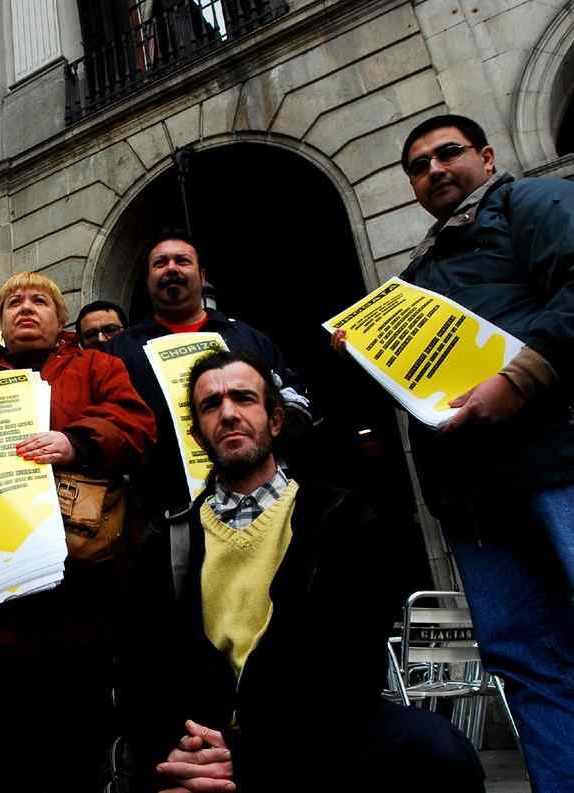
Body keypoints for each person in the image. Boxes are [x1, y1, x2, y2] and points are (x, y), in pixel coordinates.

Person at [334, 113, 574, 791]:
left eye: (447, 153)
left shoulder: (530, 202)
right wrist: (365, 362)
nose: (433, 170)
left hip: (558, 463)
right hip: (476, 503)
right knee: (528, 665)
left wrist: (521, 380)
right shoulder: (416, 275)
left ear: (487, 156)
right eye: (418, 166)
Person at [122, 350, 484, 793]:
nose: (229, 414)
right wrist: (181, 755)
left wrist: (245, 753)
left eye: (243, 398)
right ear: (198, 436)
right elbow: (146, 672)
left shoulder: (344, 518)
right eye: (211, 405)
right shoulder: (166, 541)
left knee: (437, 752)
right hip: (203, 746)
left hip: (312, 741)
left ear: (275, 421)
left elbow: (350, 670)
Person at [0, 271, 155, 793]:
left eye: (40, 300)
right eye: (13, 301)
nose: (25, 308)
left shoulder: (98, 367)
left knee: (69, 766)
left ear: (61, 319)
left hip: (72, 607)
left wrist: (75, 441)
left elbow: (135, 425)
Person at [107, 229, 311, 525]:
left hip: (263, 505)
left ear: (201, 276)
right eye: (160, 263)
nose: (171, 268)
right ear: (148, 279)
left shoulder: (246, 337)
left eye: (182, 261)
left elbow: (295, 400)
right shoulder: (120, 351)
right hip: (163, 518)